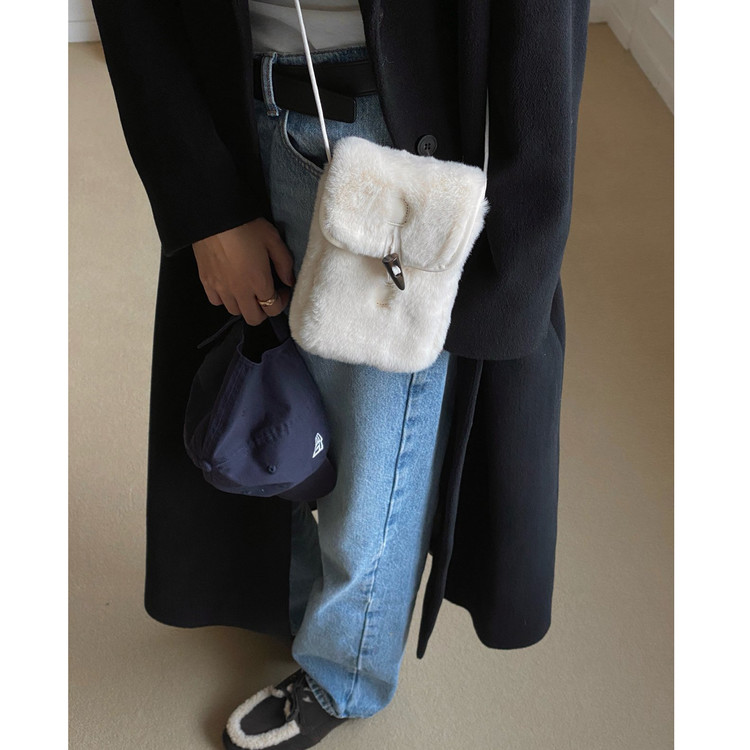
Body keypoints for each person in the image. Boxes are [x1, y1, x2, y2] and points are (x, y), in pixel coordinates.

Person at [91, 1, 589, 748]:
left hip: (391, 135)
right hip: (230, 100)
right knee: (265, 404)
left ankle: (344, 672)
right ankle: (290, 602)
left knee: (377, 454)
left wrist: (520, 257)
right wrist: (205, 205)